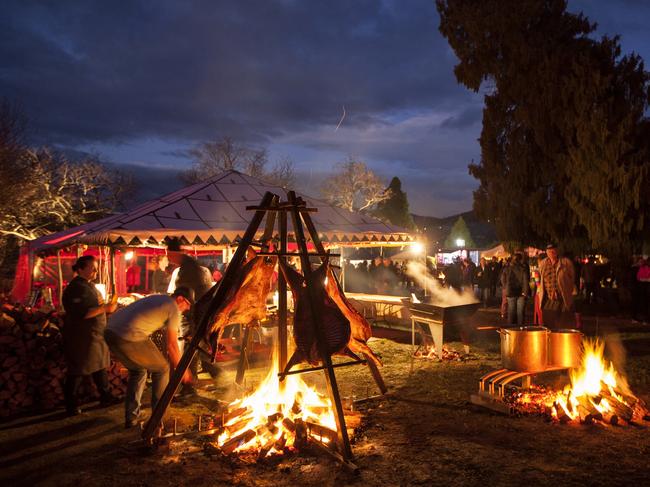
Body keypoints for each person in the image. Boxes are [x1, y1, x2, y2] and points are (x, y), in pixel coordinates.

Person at [104, 287, 194, 428]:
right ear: (180, 299)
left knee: (138, 370)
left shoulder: (158, 298)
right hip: (129, 334)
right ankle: (160, 418)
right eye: (187, 304)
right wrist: (184, 371)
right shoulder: (173, 308)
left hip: (110, 331)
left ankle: (132, 417)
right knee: (162, 369)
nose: (187, 309)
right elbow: (172, 345)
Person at [62, 255, 119, 416]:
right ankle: (71, 405)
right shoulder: (76, 288)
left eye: (96, 267)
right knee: (78, 369)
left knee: (99, 365)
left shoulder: (88, 285)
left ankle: (106, 395)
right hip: (82, 337)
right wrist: (106, 309)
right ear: (80, 269)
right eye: (92, 267)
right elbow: (83, 313)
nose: (96, 270)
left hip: (94, 335)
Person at [538, 244, 576, 329]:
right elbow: (540, 279)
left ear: (557, 251)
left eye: (553, 250)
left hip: (563, 298)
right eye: (549, 251)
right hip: (548, 299)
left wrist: (564, 291)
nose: (552, 252)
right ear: (547, 252)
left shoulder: (566, 263)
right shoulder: (543, 264)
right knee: (548, 323)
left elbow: (572, 279)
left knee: (563, 324)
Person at [505, 252, 530, 325]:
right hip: (521, 293)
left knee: (511, 312)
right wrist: (525, 292)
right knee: (520, 312)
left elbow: (502, 278)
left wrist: (506, 287)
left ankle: (510, 329)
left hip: (510, 292)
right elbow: (526, 280)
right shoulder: (523, 268)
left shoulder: (508, 268)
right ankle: (520, 329)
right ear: (520, 259)